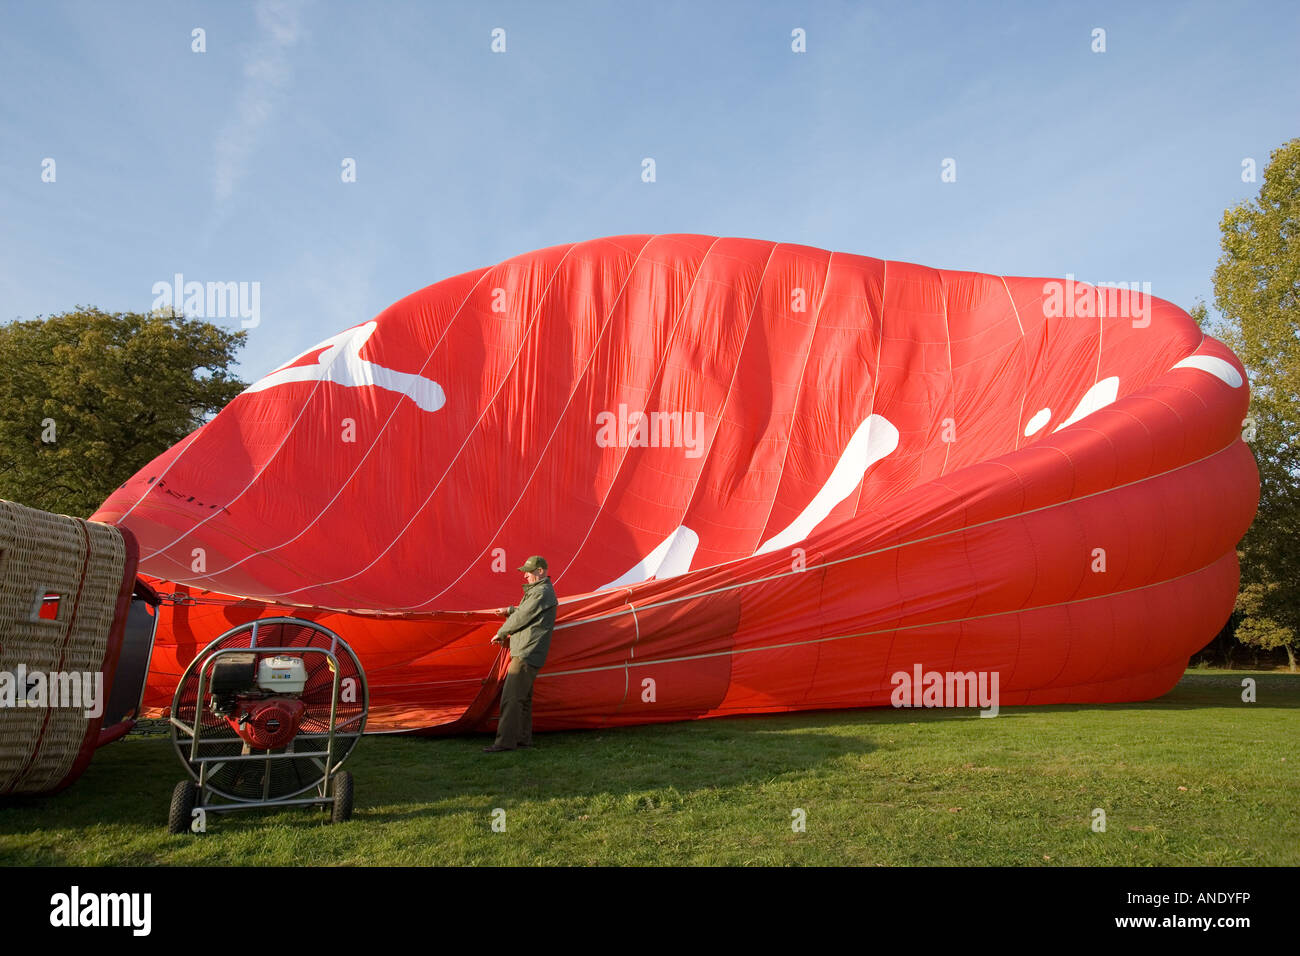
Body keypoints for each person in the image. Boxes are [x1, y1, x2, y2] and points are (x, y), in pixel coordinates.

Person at [483, 555, 557, 752]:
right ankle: (523, 740)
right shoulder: (540, 592)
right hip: (529, 651)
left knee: (511, 698)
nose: (525, 575)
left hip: (526, 651)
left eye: (528, 571)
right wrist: (508, 610)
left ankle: (505, 743)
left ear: (540, 571)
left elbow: (524, 616)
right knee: (523, 698)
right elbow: (525, 610)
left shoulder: (541, 592)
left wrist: (501, 632)